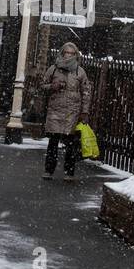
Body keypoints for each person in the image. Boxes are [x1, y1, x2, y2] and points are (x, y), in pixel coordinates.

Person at [39, 42, 92, 181]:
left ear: (76, 55)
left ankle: (69, 171)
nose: (68, 55)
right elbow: (42, 85)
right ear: (62, 53)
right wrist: (53, 86)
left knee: (70, 143)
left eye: (71, 53)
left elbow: (86, 92)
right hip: (55, 109)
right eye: (66, 52)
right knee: (53, 141)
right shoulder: (54, 69)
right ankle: (49, 170)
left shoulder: (80, 72)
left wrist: (84, 112)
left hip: (72, 111)